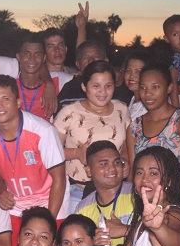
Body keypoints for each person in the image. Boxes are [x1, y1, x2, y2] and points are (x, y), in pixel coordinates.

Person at [0, 75, 68, 233]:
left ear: (18, 102)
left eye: (6, 99)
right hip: (16, 203)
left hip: (50, 198)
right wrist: (0, 193)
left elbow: (58, 179)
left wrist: (49, 222)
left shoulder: (43, 131)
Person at [54, 61, 129, 210]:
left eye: (108, 86)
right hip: (78, 191)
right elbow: (50, 151)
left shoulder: (122, 108)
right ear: (84, 86)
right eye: (96, 86)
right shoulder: (69, 112)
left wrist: (125, 161)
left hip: (115, 190)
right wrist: (76, 153)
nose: (103, 91)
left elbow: (125, 145)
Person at [126, 63, 180, 186]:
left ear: (169, 88)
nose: (148, 93)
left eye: (155, 87)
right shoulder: (134, 127)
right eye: (143, 87)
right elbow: (133, 171)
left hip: (176, 196)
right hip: (145, 197)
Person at [74, 140, 134, 246]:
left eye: (117, 163)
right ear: (88, 171)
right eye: (103, 164)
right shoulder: (82, 209)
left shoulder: (137, 194)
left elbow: (159, 234)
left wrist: (125, 230)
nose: (112, 169)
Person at [15, 35, 59, 120]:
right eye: (27, 54)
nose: (32, 59)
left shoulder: (57, 80)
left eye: (37, 54)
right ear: (18, 57)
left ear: (44, 58)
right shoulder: (10, 85)